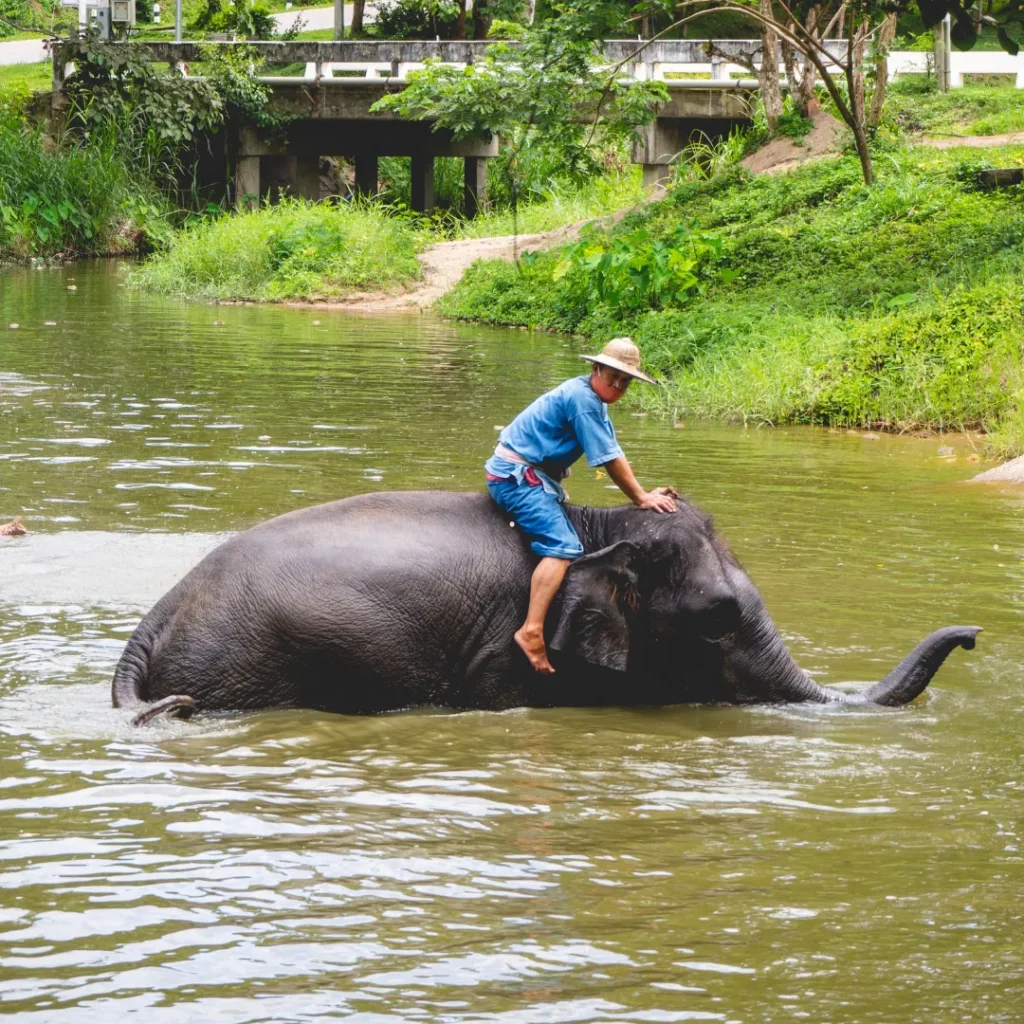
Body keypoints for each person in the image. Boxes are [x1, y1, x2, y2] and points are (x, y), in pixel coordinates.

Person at [485, 337, 677, 674]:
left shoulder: (591, 399)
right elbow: (610, 459)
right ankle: (530, 630)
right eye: (611, 376)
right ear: (595, 368)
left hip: (532, 476)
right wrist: (641, 498)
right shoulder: (583, 400)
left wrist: (643, 492)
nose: (616, 386)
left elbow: (612, 449)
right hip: (516, 478)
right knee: (562, 547)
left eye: (624, 381)